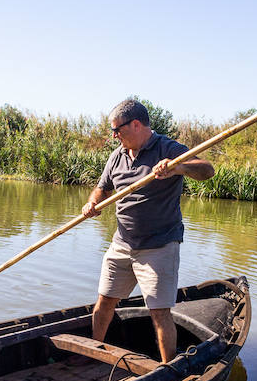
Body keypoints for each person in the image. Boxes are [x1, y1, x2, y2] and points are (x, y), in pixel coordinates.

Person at [81, 99, 214, 362]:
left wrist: (178, 167)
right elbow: (102, 186)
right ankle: (92, 354)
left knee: (159, 312)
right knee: (104, 302)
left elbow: (208, 170)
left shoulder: (168, 148)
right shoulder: (117, 156)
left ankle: (168, 369)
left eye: (116, 130)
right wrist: (92, 202)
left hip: (158, 246)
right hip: (122, 243)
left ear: (136, 124)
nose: (114, 136)